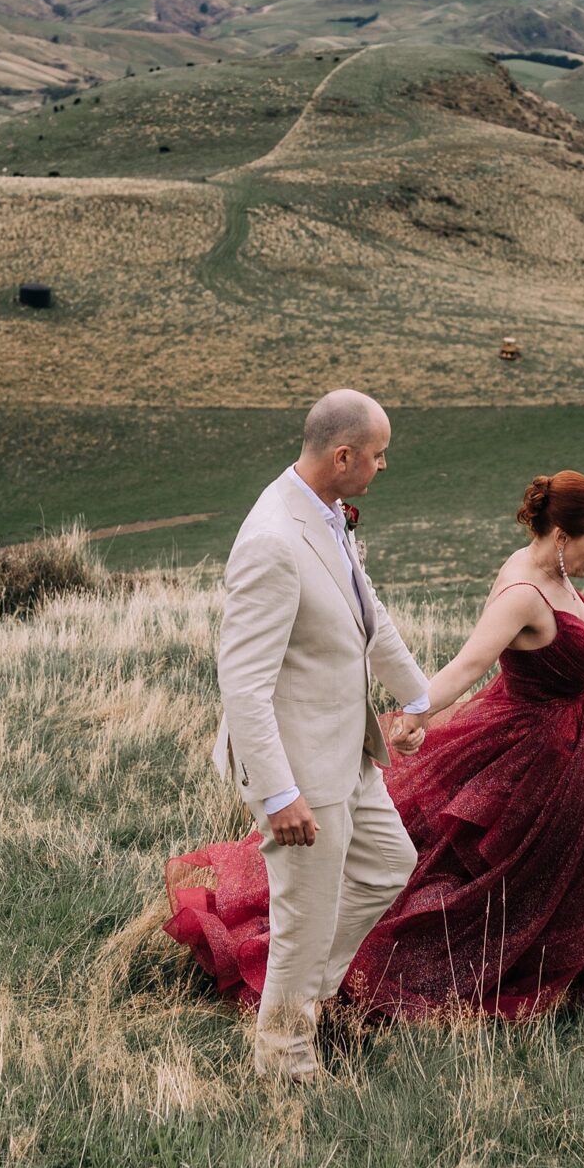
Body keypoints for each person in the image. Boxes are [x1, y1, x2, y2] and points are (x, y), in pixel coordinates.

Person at [167, 468, 584, 1051]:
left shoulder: (554, 572)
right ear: (561, 536)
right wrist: (416, 713)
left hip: (579, 741)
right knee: (498, 879)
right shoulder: (521, 592)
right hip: (536, 753)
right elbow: (465, 666)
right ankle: (341, 979)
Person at [203, 389, 435, 1083]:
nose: (383, 465)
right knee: (305, 916)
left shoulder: (326, 515)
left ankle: (299, 990)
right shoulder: (273, 539)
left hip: (348, 753)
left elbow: (370, 615)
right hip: (299, 766)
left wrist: (420, 695)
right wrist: (279, 793)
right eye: (377, 454)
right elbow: (242, 684)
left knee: (389, 862)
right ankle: (284, 1065)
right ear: (342, 456)